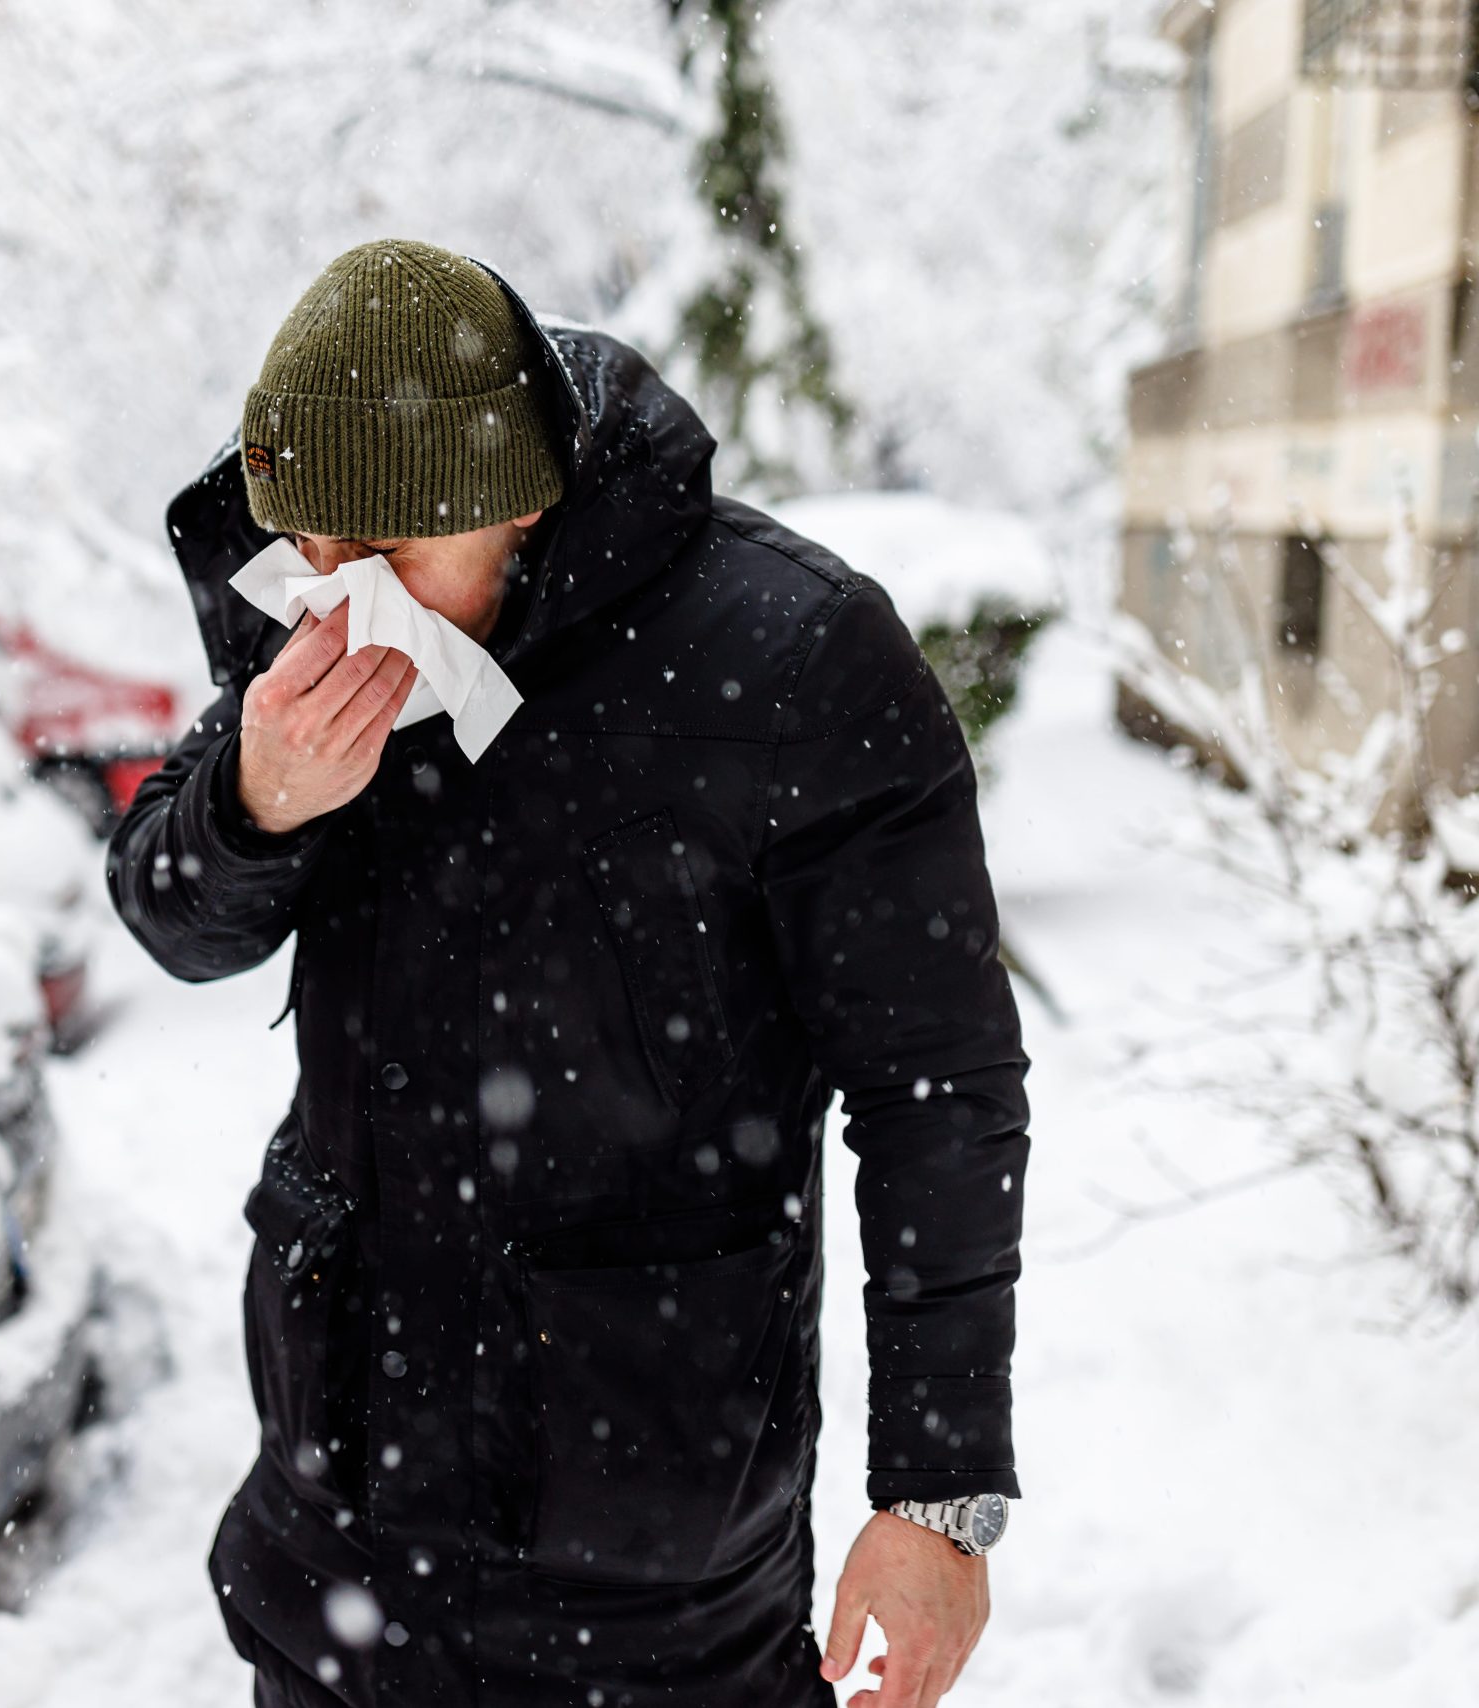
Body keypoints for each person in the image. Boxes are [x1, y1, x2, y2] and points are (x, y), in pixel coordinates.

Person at [107, 238, 1030, 1708]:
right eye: (316, 556)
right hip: (334, 1509)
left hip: (652, 1536)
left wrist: (938, 1498)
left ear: (520, 501)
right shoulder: (319, 606)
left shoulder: (795, 660)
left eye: (397, 561)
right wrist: (254, 799)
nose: (344, 602)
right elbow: (171, 915)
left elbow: (940, 1091)